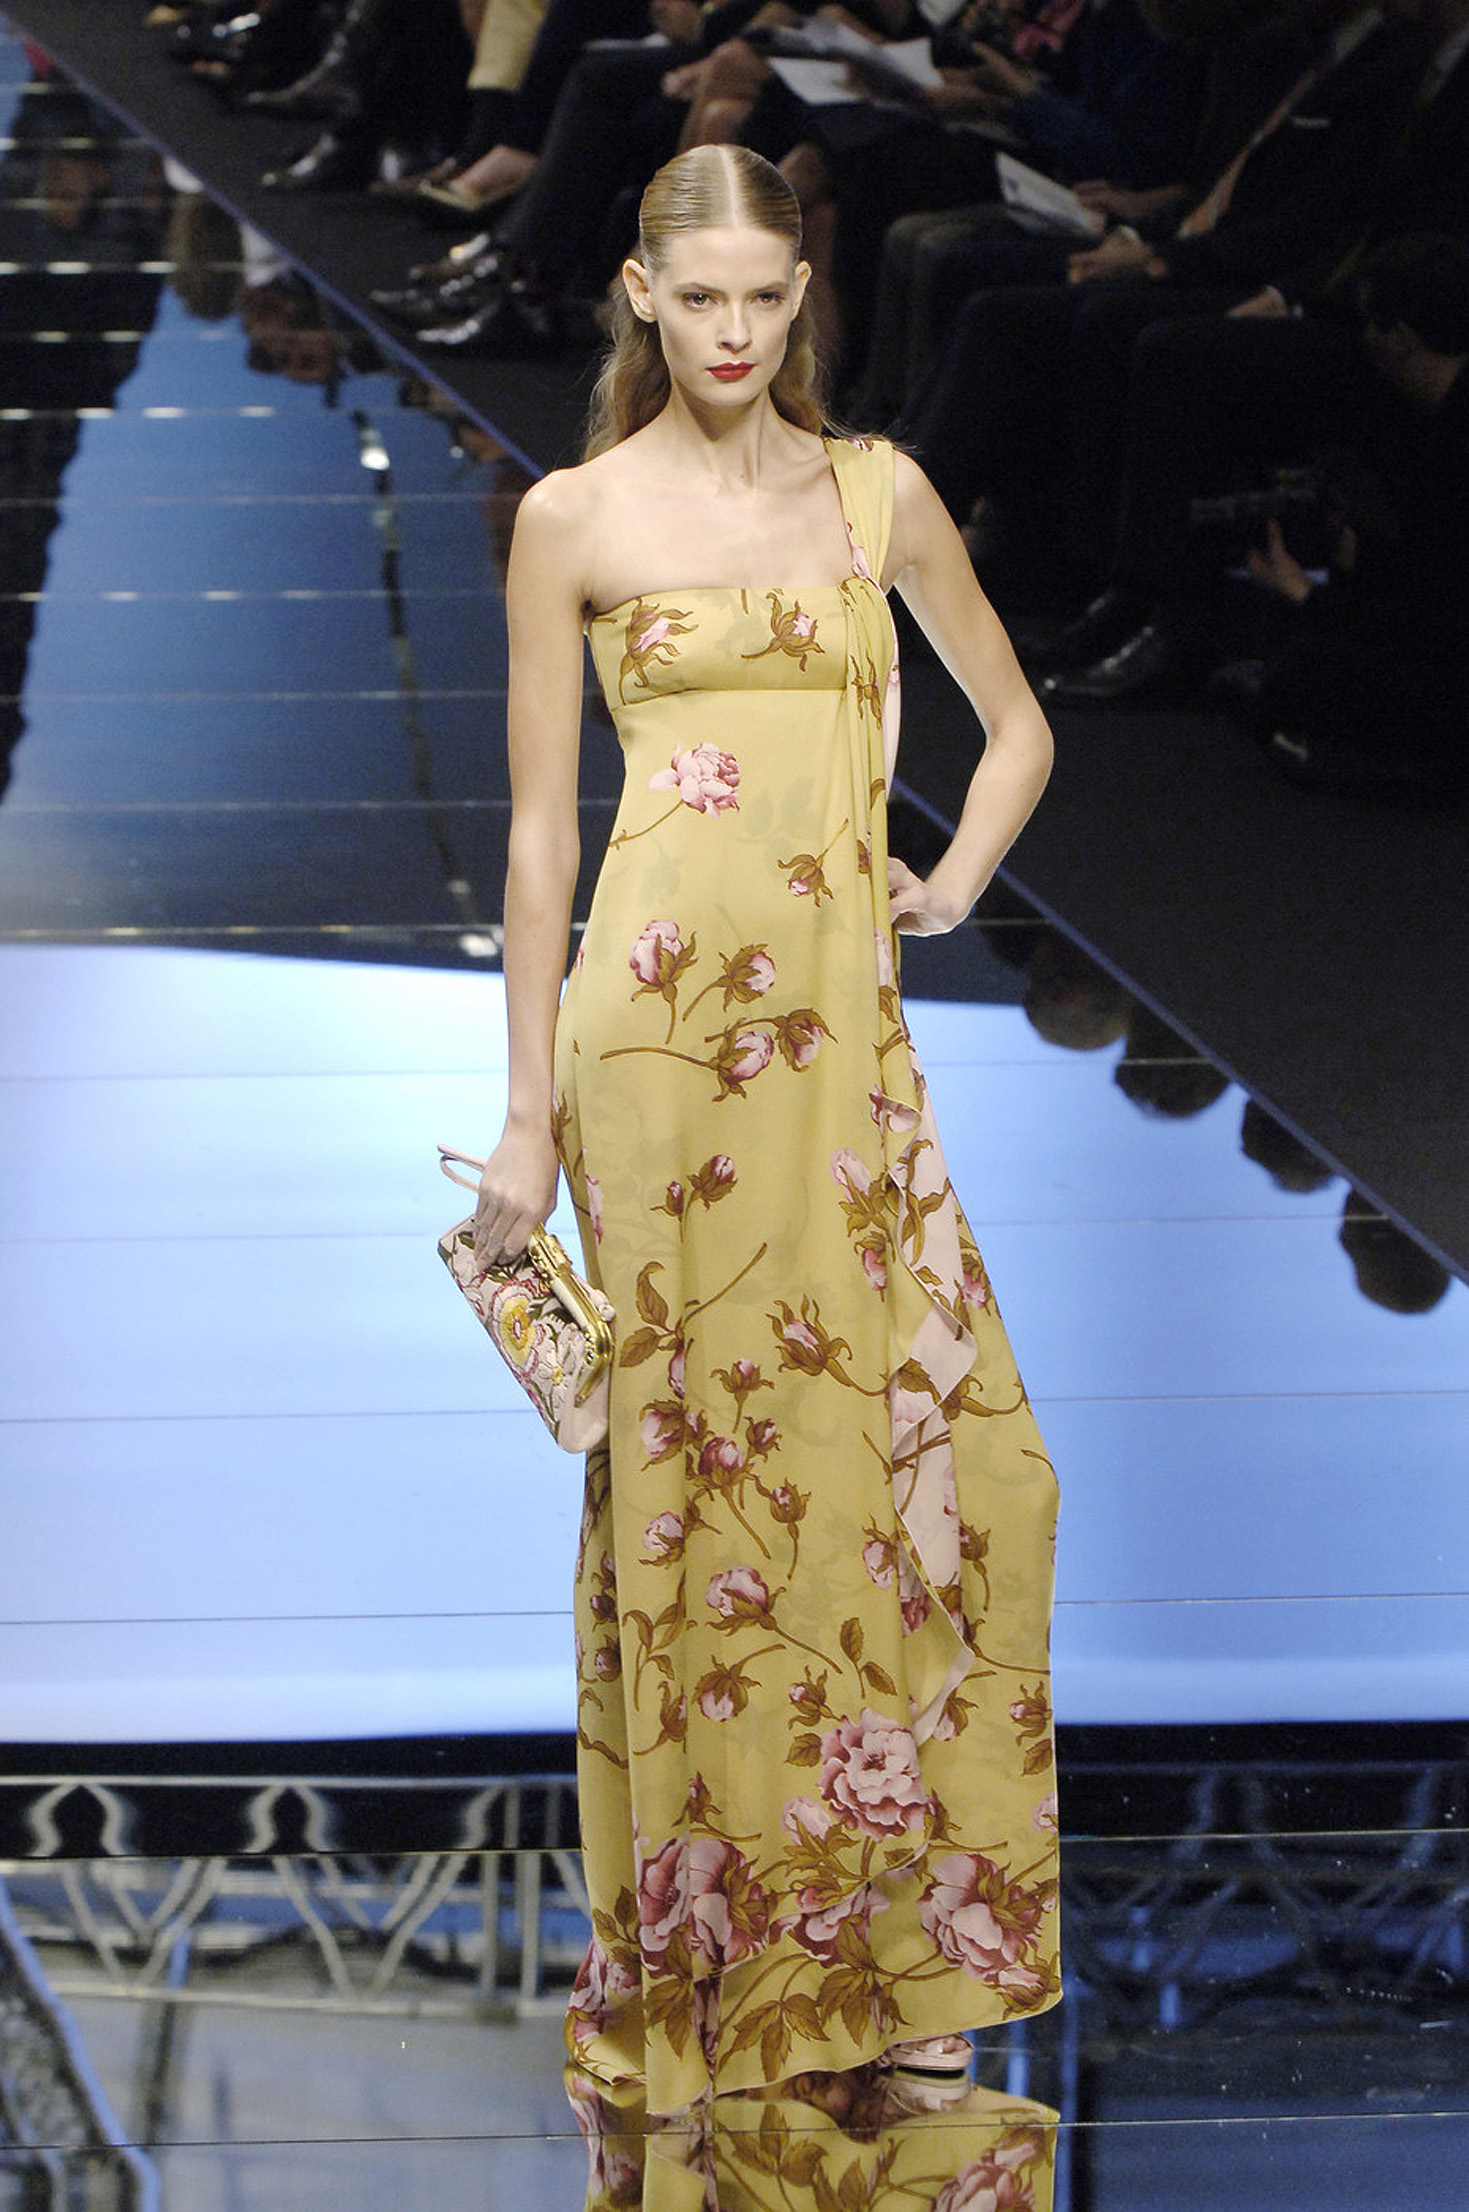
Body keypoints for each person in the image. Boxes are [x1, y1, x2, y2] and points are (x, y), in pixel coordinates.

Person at [471, 142, 1061, 2114]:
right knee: (707, 1495)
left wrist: (949, 882)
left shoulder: (877, 492)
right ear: (642, 295)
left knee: (950, 1468)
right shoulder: (570, 517)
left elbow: (1017, 720)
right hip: (652, 1056)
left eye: (761, 296)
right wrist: (525, 1120)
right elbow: (540, 837)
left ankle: (892, 1941)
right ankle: (735, 1957)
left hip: (841, 1048)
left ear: (802, 297)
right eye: (697, 296)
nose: (729, 331)